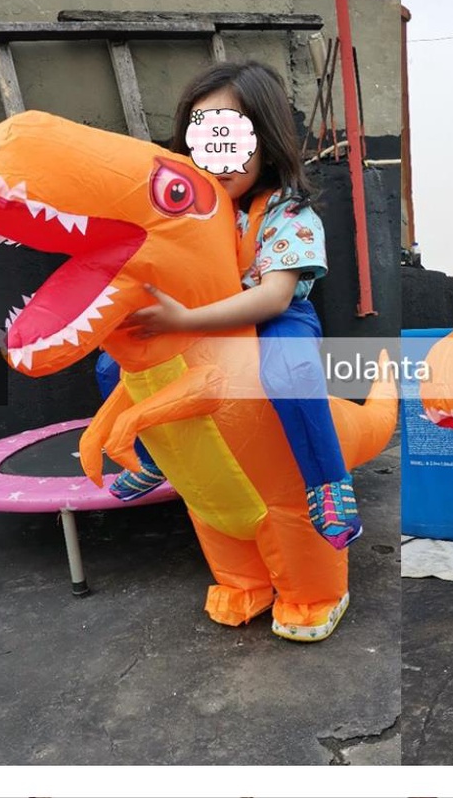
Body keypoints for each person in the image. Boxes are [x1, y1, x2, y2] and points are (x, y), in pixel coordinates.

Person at [111, 60, 361, 550]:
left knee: (291, 370)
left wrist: (186, 320)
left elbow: (275, 295)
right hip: (203, 319)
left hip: (274, 318)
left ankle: (328, 481)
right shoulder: (190, 211)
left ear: (265, 140)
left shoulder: (288, 212)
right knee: (116, 366)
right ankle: (158, 455)